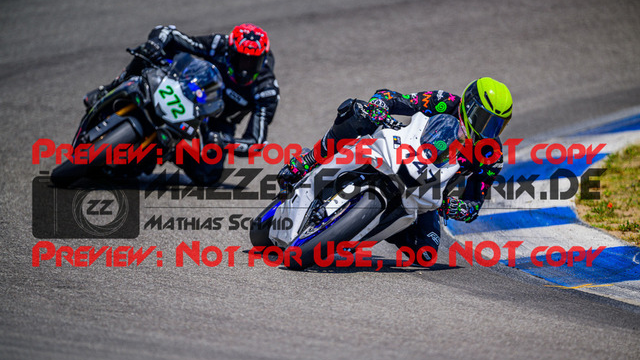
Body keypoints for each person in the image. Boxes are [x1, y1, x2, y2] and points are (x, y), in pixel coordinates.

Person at [277, 77, 513, 262]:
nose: (488, 130)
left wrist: (456, 207)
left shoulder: (490, 155)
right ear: (469, 105)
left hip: (428, 192)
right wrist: (380, 105)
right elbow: (396, 98)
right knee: (356, 113)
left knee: (426, 254)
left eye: (497, 125)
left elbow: (474, 204)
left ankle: (361, 228)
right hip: (403, 151)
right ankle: (310, 159)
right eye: (485, 119)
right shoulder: (445, 101)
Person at [84, 23, 280, 185]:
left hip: (219, 121)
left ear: (263, 59)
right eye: (241, 60)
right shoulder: (220, 44)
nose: (245, 69)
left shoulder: (266, 89)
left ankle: (168, 149)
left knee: (209, 175)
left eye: (252, 62)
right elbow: (168, 32)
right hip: (193, 89)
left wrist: (223, 141)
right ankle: (110, 88)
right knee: (149, 53)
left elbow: (256, 142)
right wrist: (155, 43)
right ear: (231, 51)